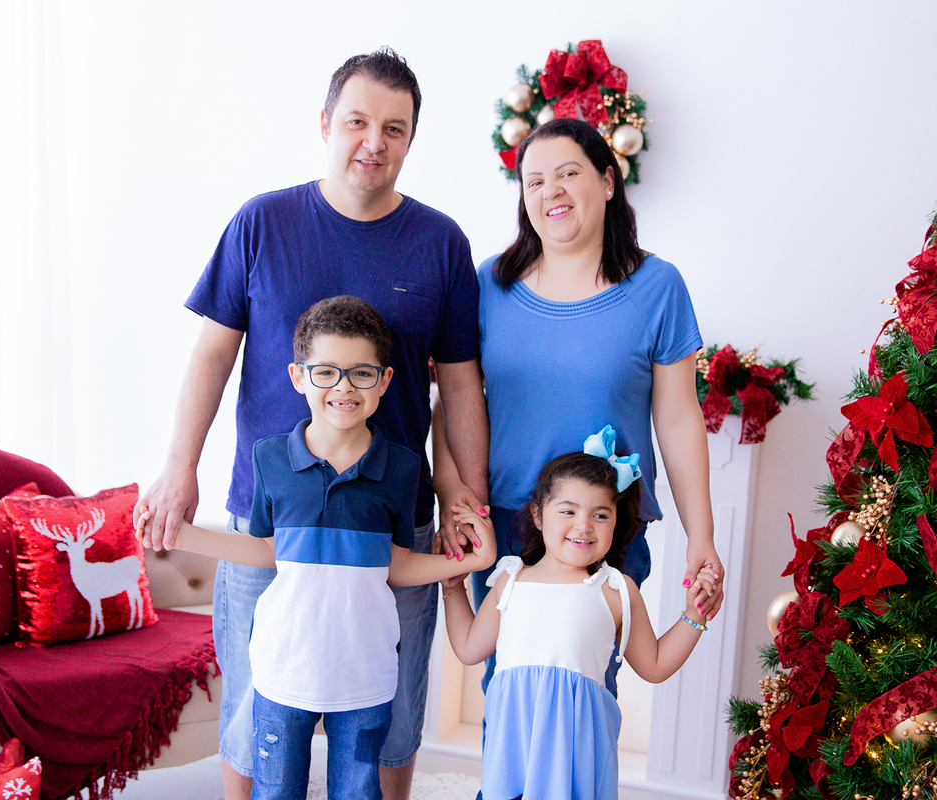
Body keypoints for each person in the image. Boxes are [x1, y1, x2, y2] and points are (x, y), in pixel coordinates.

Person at [138, 48, 489, 800]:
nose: (374, 141)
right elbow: (211, 356)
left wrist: (468, 495)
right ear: (326, 123)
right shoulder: (262, 221)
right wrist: (179, 468)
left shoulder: (441, 244)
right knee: (253, 711)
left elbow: (460, 385)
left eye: (394, 128)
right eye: (358, 121)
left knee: (391, 717)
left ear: (411, 139)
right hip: (269, 515)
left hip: (393, 521)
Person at [137, 297, 495, 800]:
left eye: (361, 374)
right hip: (283, 675)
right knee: (276, 791)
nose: (344, 387)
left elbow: (394, 563)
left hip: (366, 678)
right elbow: (266, 550)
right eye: (325, 372)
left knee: (357, 792)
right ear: (298, 377)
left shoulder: (402, 469)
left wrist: (473, 561)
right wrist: (182, 534)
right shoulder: (270, 460)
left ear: (385, 381)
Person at [433, 117, 723, 697]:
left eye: (569, 173)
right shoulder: (488, 283)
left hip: (604, 531)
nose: (551, 192)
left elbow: (677, 418)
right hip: (512, 526)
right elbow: (451, 401)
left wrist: (702, 536)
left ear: (608, 182)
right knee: (509, 696)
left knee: (586, 693)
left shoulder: (657, 286)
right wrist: (453, 499)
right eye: (534, 181)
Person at [440, 444, 715, 800]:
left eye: (600, 515)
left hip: (577, 751)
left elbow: (655, 665)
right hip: (516, 745)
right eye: (568, 511)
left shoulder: (616, 589)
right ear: (538, 516)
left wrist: (695, 615)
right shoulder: (511, 578)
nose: (583, 526)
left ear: (616, 522)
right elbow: (467, 647)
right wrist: (453, 589)